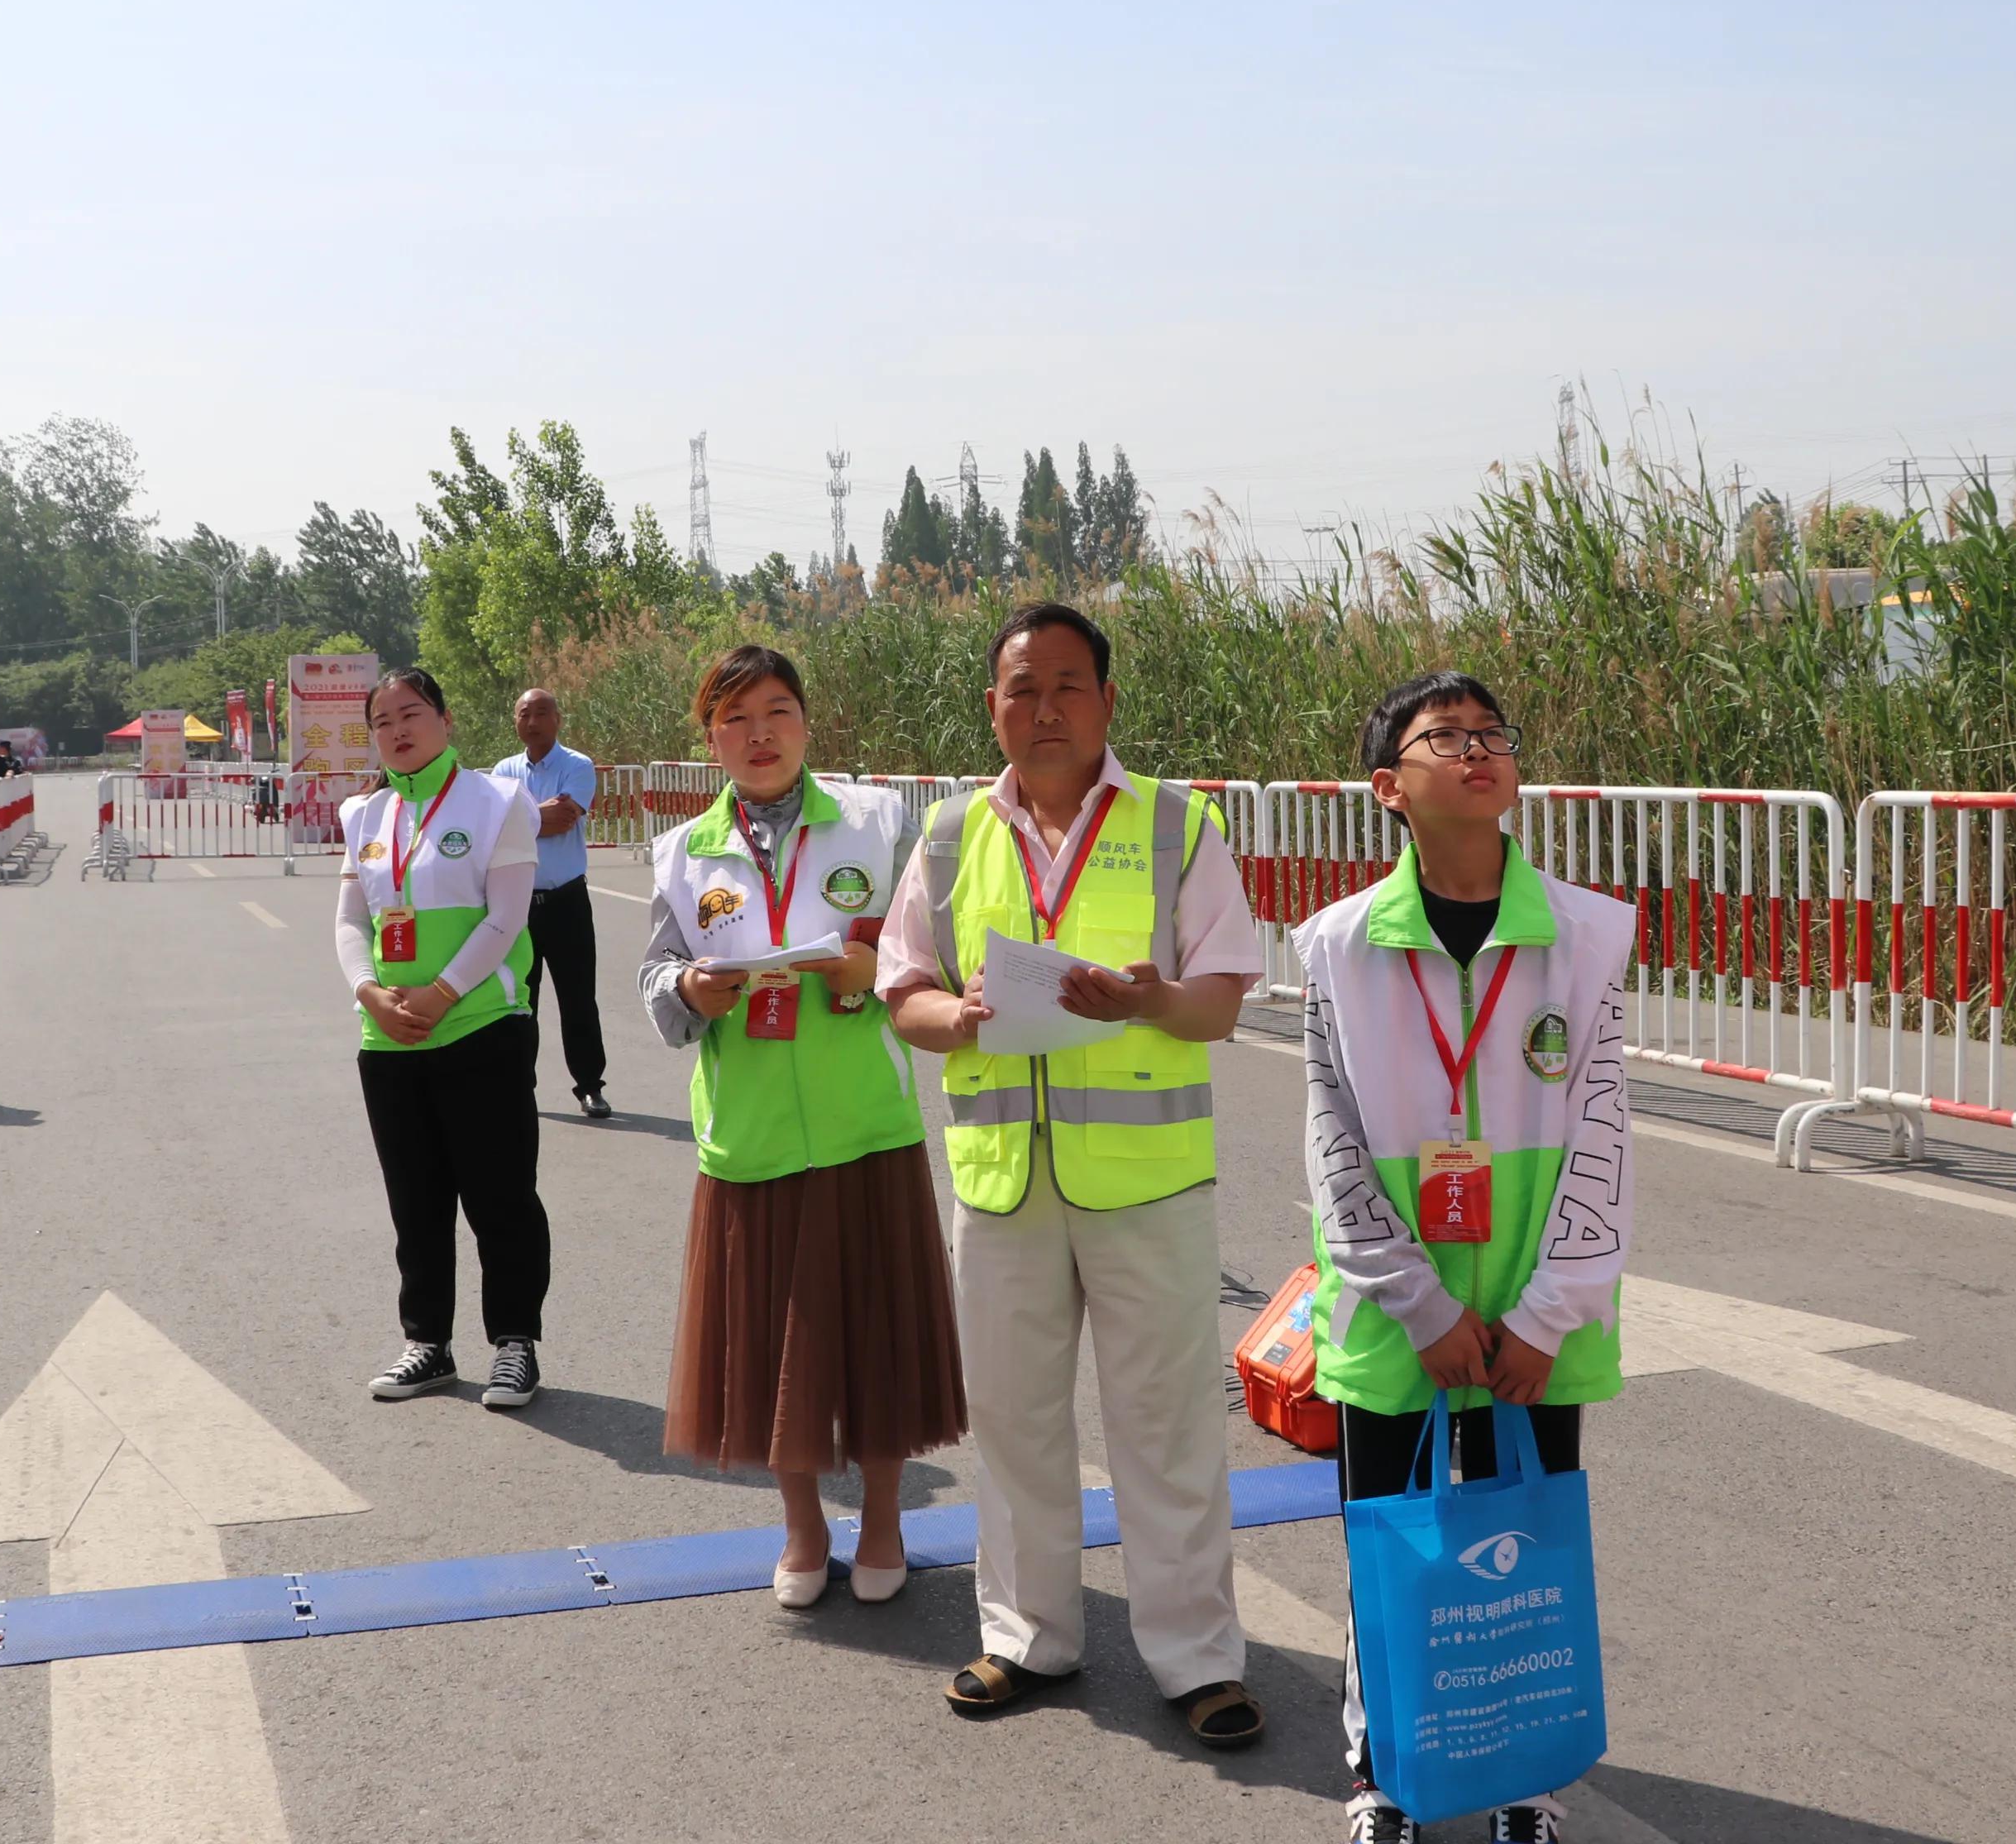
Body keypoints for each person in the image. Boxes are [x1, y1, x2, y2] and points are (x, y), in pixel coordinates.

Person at [881, 601, 1268, 1749]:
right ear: (991, 707)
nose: (1043, 707)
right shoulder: (952, 834)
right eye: (1020, 688)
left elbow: (1221, 1000)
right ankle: (1026, 1636)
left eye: (1066, 685)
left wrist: (1149, 998)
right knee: (1014, 1421)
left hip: (1147, 1182)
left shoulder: (1175, 826)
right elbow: (905, 991)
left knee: (1168, 1424)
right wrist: (964, 1016)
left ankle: (1198, 1660)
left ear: (1106, 701)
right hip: (1001, 1182)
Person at [1298, 672, 1634, 1844]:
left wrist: (1552, 1309)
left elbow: (1602, 1132)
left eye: (1493, 733)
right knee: (1387, 1541)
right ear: (1389, 786)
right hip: (1398, 1317)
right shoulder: (1337, 949)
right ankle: (1383, 1771)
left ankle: (1525, 1778)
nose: (1479, 751)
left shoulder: (1588, 935)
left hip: (1539, 1303)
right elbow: (1334, 1144)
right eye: (1446, 738)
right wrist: (1416, 1303)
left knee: (1524, 1553)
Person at [641, 646, 967, 1608]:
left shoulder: (875, 820)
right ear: (710, 739)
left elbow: (931, 957)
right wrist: (690, 986)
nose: (760, 733)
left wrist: (878, 977)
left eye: (778, 710)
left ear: (807, 723)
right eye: (736, 719)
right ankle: (800, 1527)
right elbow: (656, 985)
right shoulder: (681, 852)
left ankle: (884, 1520)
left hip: (864, 1125)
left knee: (874, 1341)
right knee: (774, 1353)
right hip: (751, 1139)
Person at [335, 666, 552, 1411]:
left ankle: (515, 1343)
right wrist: (369, 991)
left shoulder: (498, 801)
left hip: (480, 1027)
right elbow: (350, 922)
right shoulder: (362, 816)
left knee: (500, 1197)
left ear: (446, 720)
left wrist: (442, 992)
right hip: (388, 1039)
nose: (398, 729)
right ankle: (427, 1343)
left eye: (412, 713)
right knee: (415, 1201)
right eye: (382, 720)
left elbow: (507, 918)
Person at [494, 686, 614, 1118]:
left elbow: (564, 819)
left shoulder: (577, 765)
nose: (532, 721)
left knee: (578, 998)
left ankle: (589, 1086)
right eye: (524, 713)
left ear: (558, 719)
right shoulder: (503, 770)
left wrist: (522, 817)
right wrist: (534, 817)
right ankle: (517, 1085)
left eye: (541, 713)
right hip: (517, 903)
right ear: (515, 721)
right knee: (519, 999)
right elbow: (501, 829)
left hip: (567, 901)